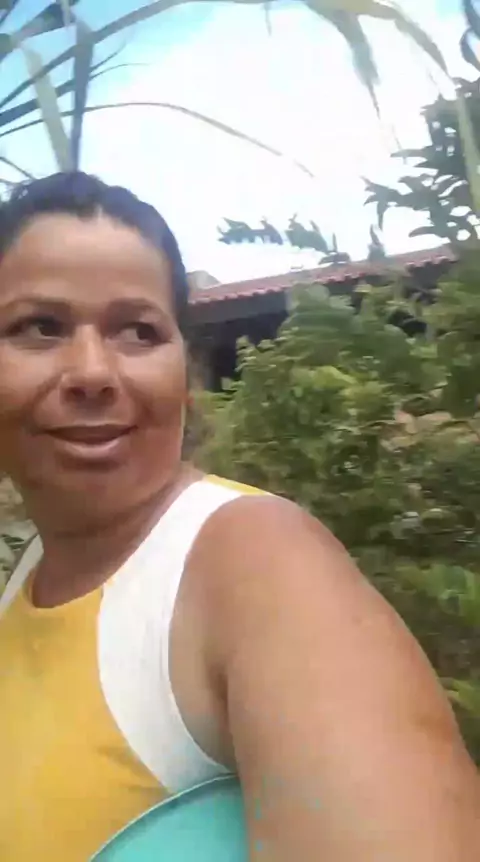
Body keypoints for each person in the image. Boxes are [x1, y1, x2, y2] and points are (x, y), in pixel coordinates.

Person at [0, 172, 478, 862]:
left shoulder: (255, 562)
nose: (93, 372)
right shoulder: (31, 576)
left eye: (138, 331)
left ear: (185, 375)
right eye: (40, 328)